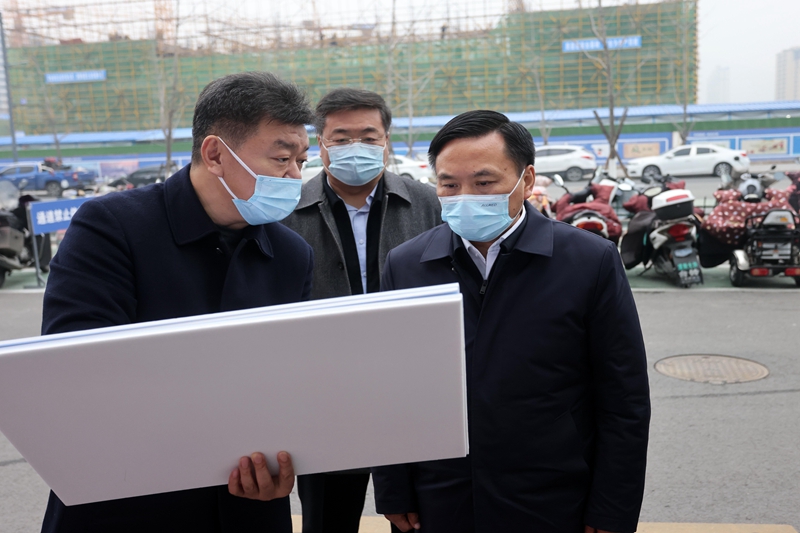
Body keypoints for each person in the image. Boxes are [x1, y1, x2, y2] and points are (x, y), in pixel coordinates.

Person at [40, 71, 312, 533]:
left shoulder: (291, 253)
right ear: (215, 154)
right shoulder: (112, 227)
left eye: (301, 161)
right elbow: (76, 366)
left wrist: (283, 464)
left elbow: (291, 381)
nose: (295, 176)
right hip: (128, 499)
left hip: (246, 505)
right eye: (282, 158)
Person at [372, 110, 651, 533]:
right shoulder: (407, 264)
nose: (465, 197)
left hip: (552, 498)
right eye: (449, 185)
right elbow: (391, 388)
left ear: (527, 179)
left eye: (484, 183)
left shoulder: (588, 261)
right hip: (440, 497)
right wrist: (394, 491)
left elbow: (623, 396)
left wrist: (612, 509)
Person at [282, 87, 440, 532]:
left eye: (369, 137)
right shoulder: (287, 211)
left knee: (417, 516)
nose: (357, 147)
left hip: (413, 389)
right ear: (321, 144)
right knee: (328, 517)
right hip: (325, 395)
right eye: (341, 138)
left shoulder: (428, 203)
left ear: (386, 140)